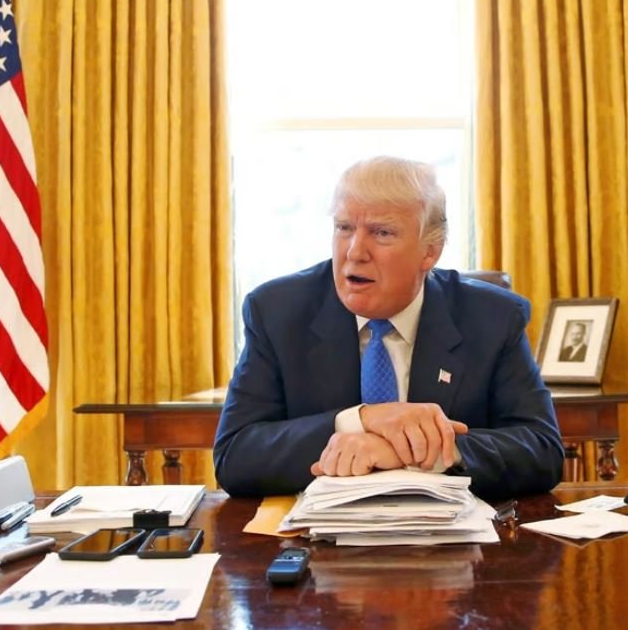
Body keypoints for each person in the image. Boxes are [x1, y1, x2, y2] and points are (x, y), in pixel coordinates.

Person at [214, 156, 564, 499]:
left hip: (448, 531)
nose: (355, 252)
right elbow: (235, 456)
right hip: (317, 532)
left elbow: (542, 450)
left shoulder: (492, 317)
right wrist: (360, 421)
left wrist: (411, 449)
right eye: (344, 228)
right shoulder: (277, 312)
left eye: (382, 233)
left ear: (430, 252)